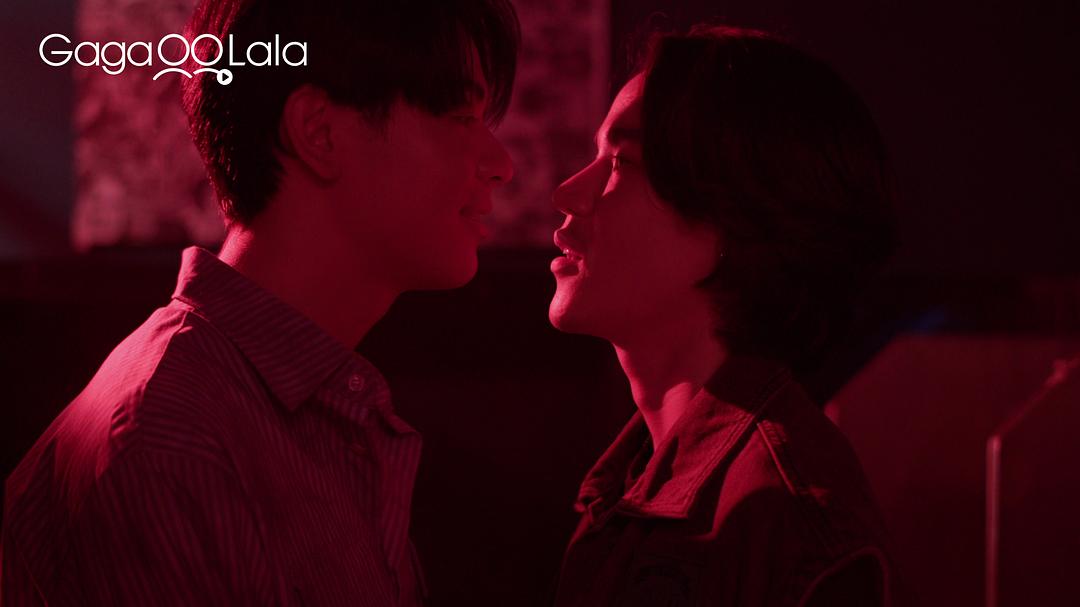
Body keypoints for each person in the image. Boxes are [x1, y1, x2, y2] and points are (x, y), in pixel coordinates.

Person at [2, 0, 517, 604]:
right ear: (319, 132)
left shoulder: (315, 412)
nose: (501, 163)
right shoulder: (172, 441)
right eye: (461, 117)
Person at [548, 25, 901, 606]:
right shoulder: (624, 485)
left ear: (733, 218)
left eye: (621, 160)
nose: (567, 193)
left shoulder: (786, 521)